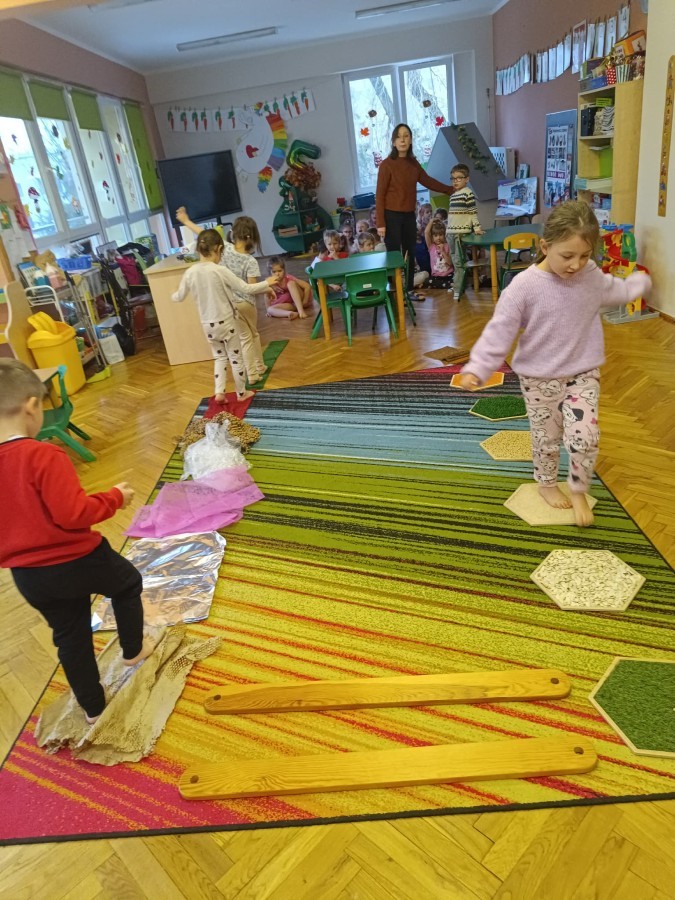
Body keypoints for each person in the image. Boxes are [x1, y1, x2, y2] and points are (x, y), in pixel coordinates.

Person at [458, 200, 652, 527]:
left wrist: (638, 284)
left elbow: (613, 291)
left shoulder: (590, 276)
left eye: (585, 256)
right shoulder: (524, 286)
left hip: (582, 372)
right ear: (545, 247)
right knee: (546, 438)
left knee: (585, 435)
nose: (576, 265)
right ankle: (547, 484)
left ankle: (578, 489)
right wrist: (478, 367)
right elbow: (500, 330)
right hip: (539, 378)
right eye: (567, 256)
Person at [0, 360, 152, 725]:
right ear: (32, 407)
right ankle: (133, 650)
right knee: (128, 584)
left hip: (29, 577)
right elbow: (73, 514)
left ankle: (93, 707)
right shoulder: (42, 454)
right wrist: (114, 497)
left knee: (70, 635)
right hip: (79, 560)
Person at [171, 229, 277, 403]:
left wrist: (172, 294)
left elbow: (179, 296)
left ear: (198, 250)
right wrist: (267, 282)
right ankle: (241, 393)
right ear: (219, 249)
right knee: (235, 358)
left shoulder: (190, 272)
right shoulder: (220, 270)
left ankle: (219, 392)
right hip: (226, 323)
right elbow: (246, 288)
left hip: (208, 325)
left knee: (219, 357)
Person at [375, 123, 453, 296]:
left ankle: (409, 290)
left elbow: (428, 181)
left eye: (406, 136)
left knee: (409, 252)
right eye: (399, 137)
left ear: (410, 140)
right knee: (393, 255)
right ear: (393, 142)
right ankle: (394, 291)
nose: (403, 140)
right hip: (391, 216)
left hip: (409, 216)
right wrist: (381, 223)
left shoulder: (413, 163)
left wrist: (449, 189)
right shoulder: (386, 165)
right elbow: (379, 195)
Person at [446, 164, 484, 301]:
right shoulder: (453, 195)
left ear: (467, 179)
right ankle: (458, 285)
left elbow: (472, 212)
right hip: (450, 233)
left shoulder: (468, 193)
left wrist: (477, 227)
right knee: (454, 261)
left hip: (460, 233)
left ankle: (457, 288)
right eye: (453, 178)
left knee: (459, 261)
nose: (455, 181)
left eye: (459, 178)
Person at [424, 218, 453, 289]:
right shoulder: (431, 246)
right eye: (436, 235)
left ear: (444, 235)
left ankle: (445, 284)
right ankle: (445, 285)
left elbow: (450, 263)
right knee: (427, 281)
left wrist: (443, 251)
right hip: (436, 277)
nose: (438, 238)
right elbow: (426, 233)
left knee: (455, 279)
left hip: (448, 275)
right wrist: (431, 221)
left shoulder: (448, 246)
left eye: (440, 235)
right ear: (432, 237)